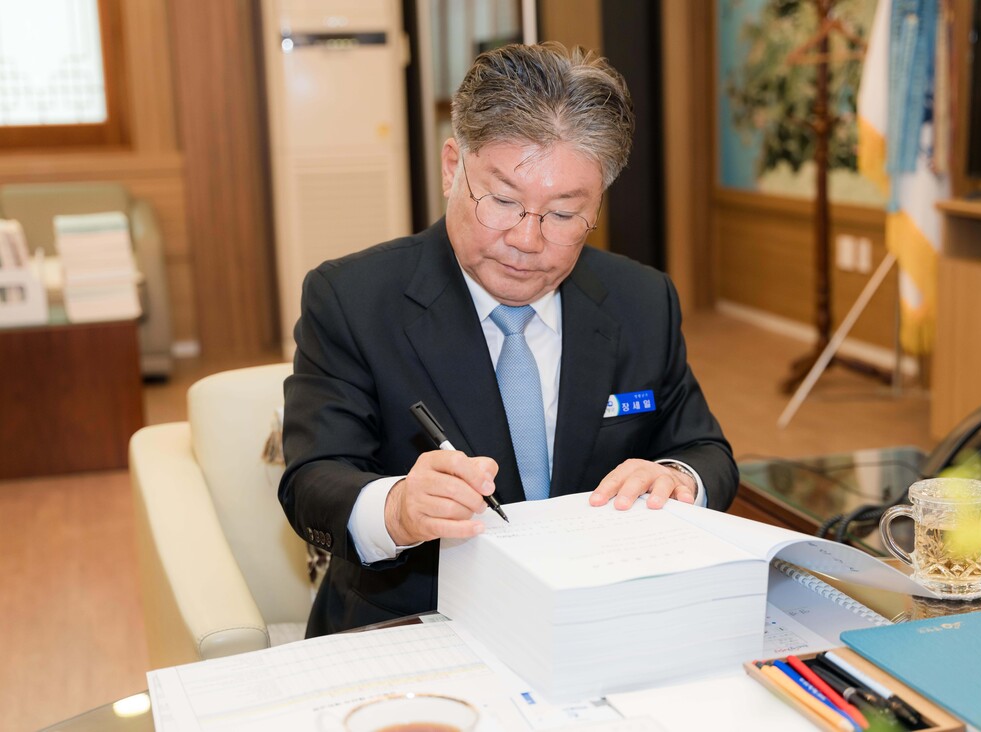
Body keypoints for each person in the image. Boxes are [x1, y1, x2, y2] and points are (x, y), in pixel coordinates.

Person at [280, 42, 739, 637]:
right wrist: (396, 508)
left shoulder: (641, 299)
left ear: (597, 205)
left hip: (594, 617)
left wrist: (677, 478)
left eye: (563, 214)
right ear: (452, 167)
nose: (527, 240)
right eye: (502, 201)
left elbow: (704, 450)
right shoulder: (352, 297)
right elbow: (313, 478)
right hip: (417, 619)